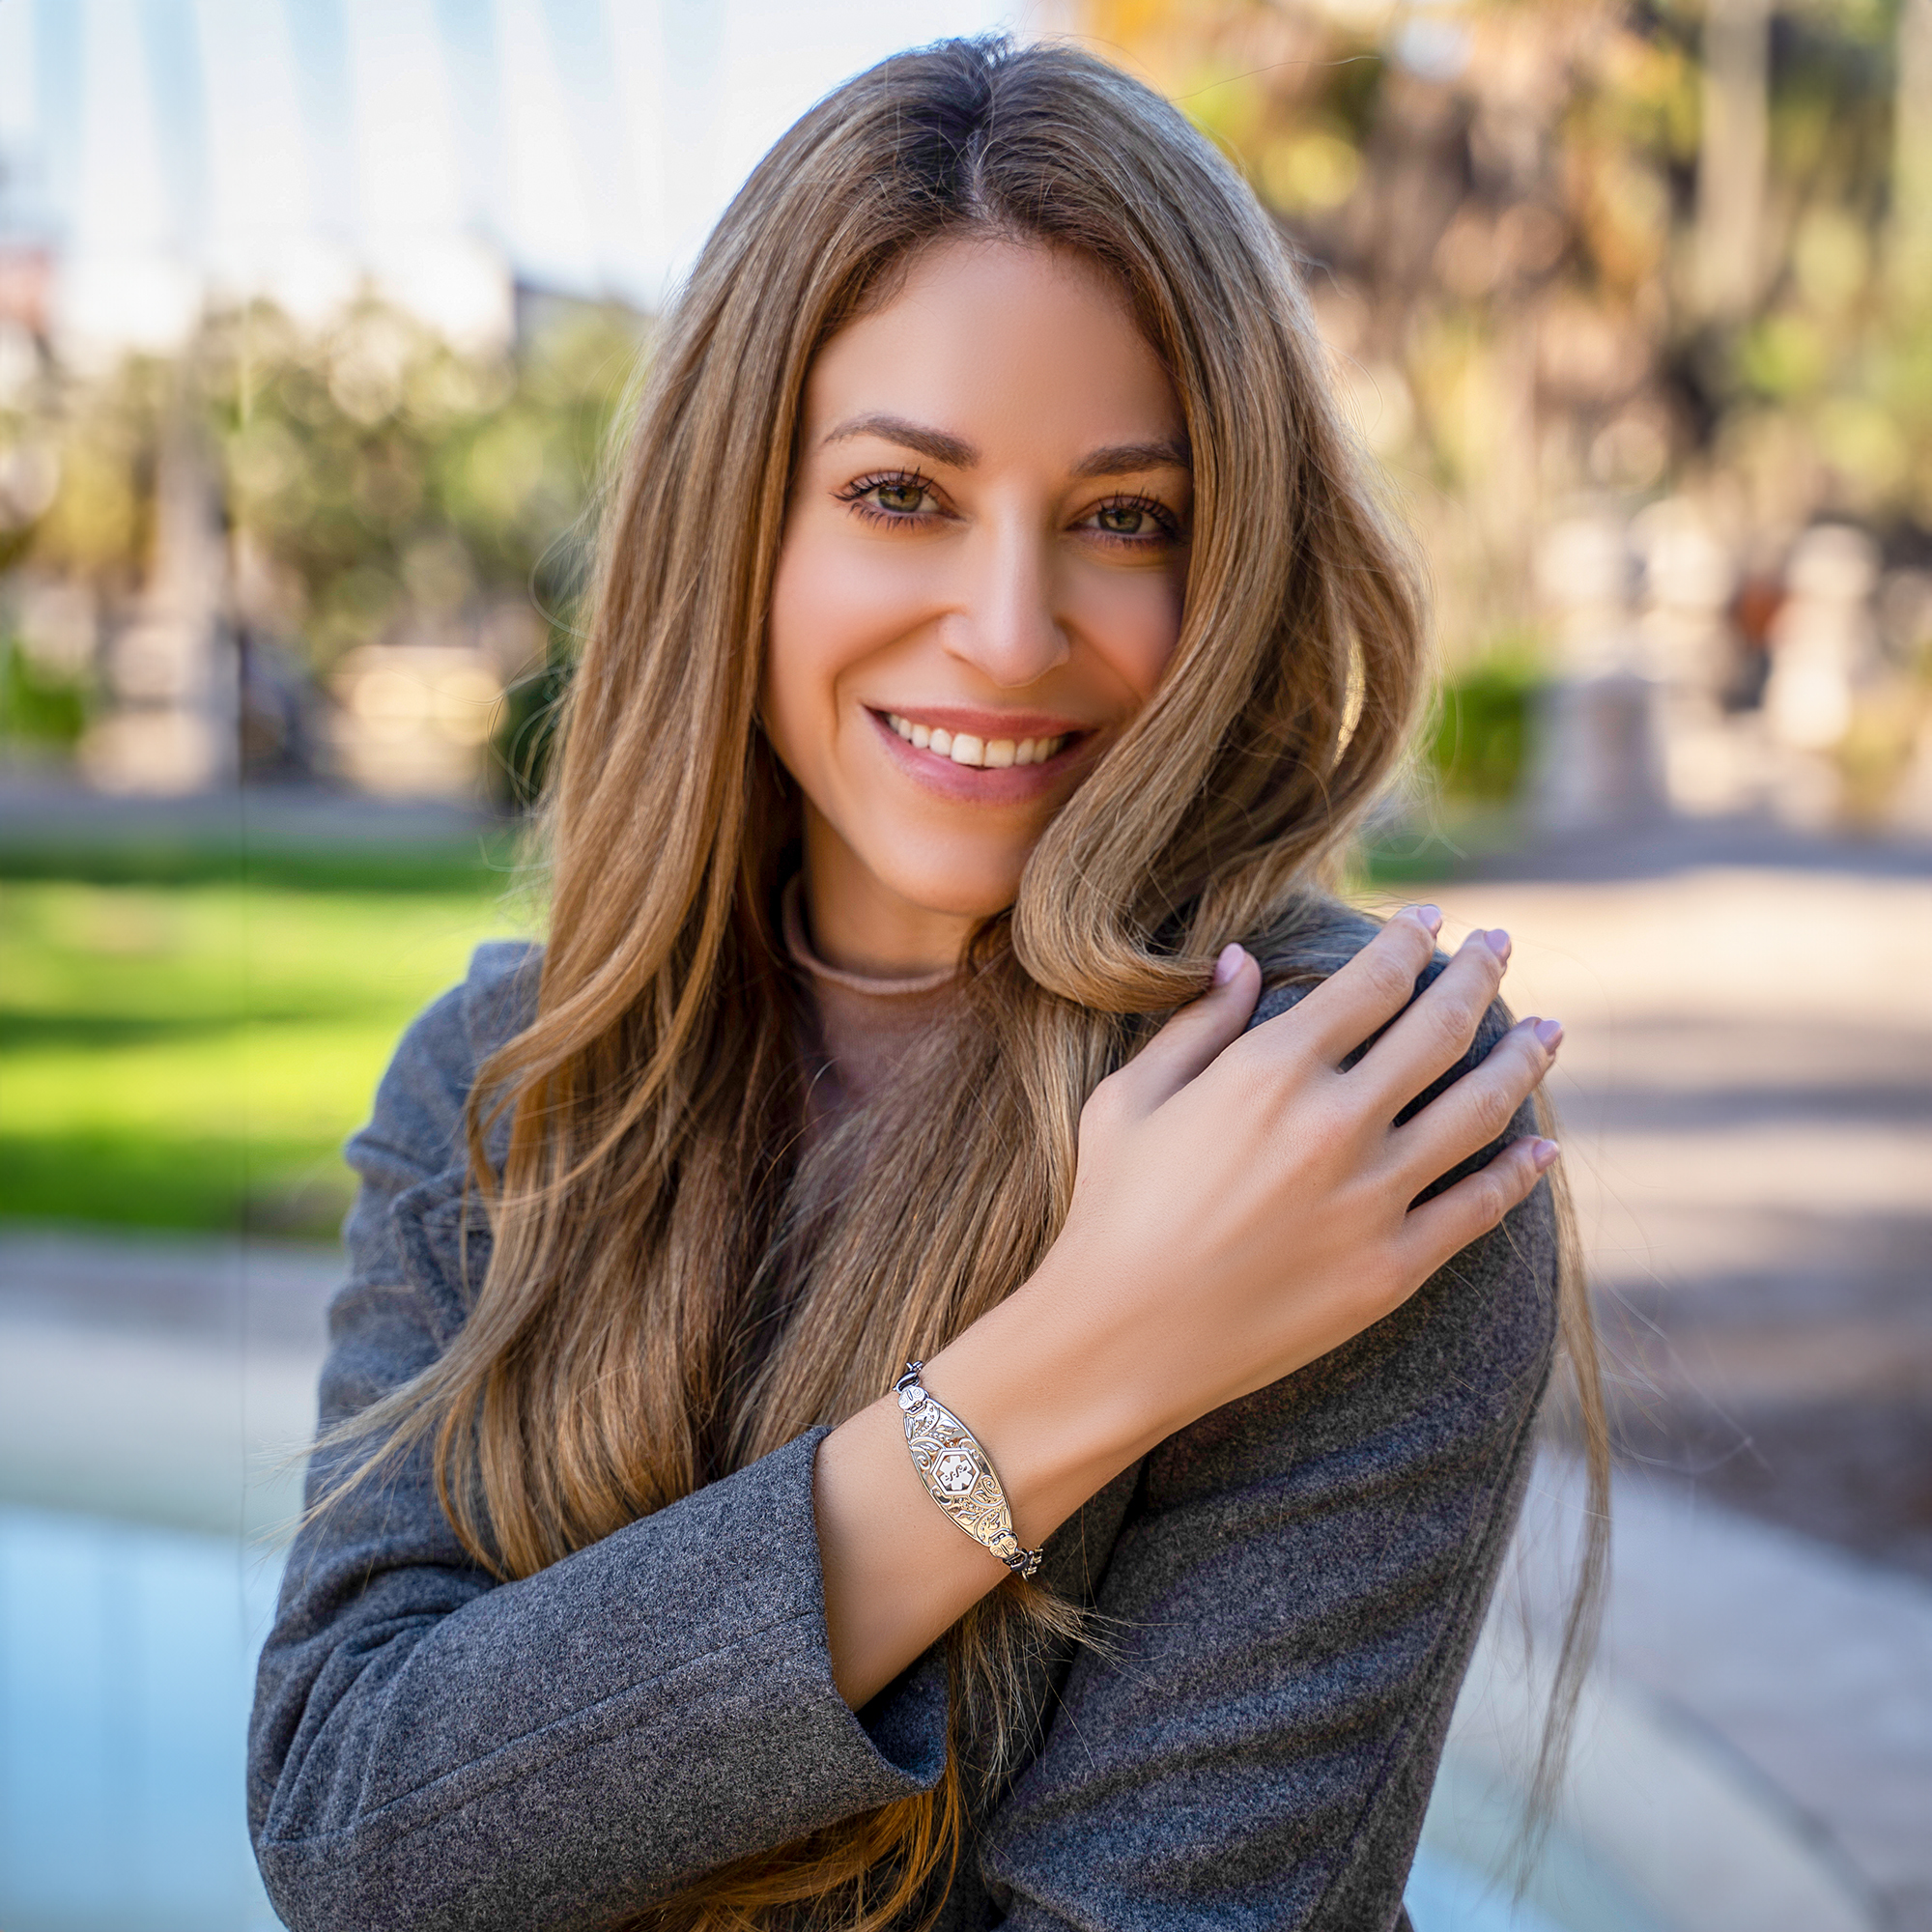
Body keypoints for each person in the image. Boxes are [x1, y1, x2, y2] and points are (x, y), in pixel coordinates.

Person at [249, 36, 1605, 1932]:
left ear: (1233, 560)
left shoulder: (1329, 1108)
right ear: (743, 521)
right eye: (903, 492)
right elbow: (357, 1832)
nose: (1006, 627)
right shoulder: (508, 1076)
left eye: (1126, 515)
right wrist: (1077, 1368)